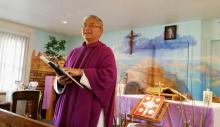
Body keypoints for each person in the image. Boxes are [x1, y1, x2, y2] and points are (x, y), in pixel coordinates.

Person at [53, 15, 117, 127]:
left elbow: (109, 77)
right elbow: (64, 72)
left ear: (101, 30)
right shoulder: (73, 52)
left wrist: (82, 72)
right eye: (84, 25)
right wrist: (60, 81)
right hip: (67, 103)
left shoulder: (106, 52)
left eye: (92, 25)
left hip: (89, 105)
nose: (86, 28)